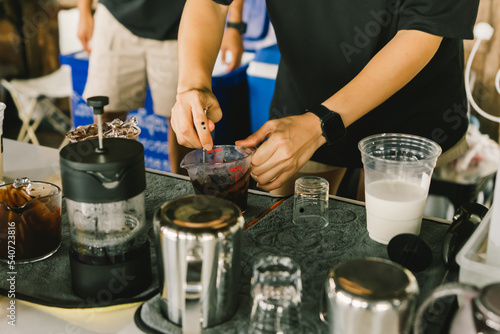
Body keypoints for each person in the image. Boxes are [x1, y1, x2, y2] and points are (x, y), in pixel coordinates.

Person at [170, 0, 479, 196]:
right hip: (304, 102)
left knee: (385, 262)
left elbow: (422, 30)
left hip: (409, 120)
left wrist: (321, 123)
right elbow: (210, 3)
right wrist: (193, 84)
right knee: (288, 237)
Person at [77, 0, 245, 174]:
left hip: (182, 23)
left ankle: (186, 191)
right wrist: (84, 12)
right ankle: (111, 184)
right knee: (108, 114)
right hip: (115, 17)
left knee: (186, 119)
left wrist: (234, 26)